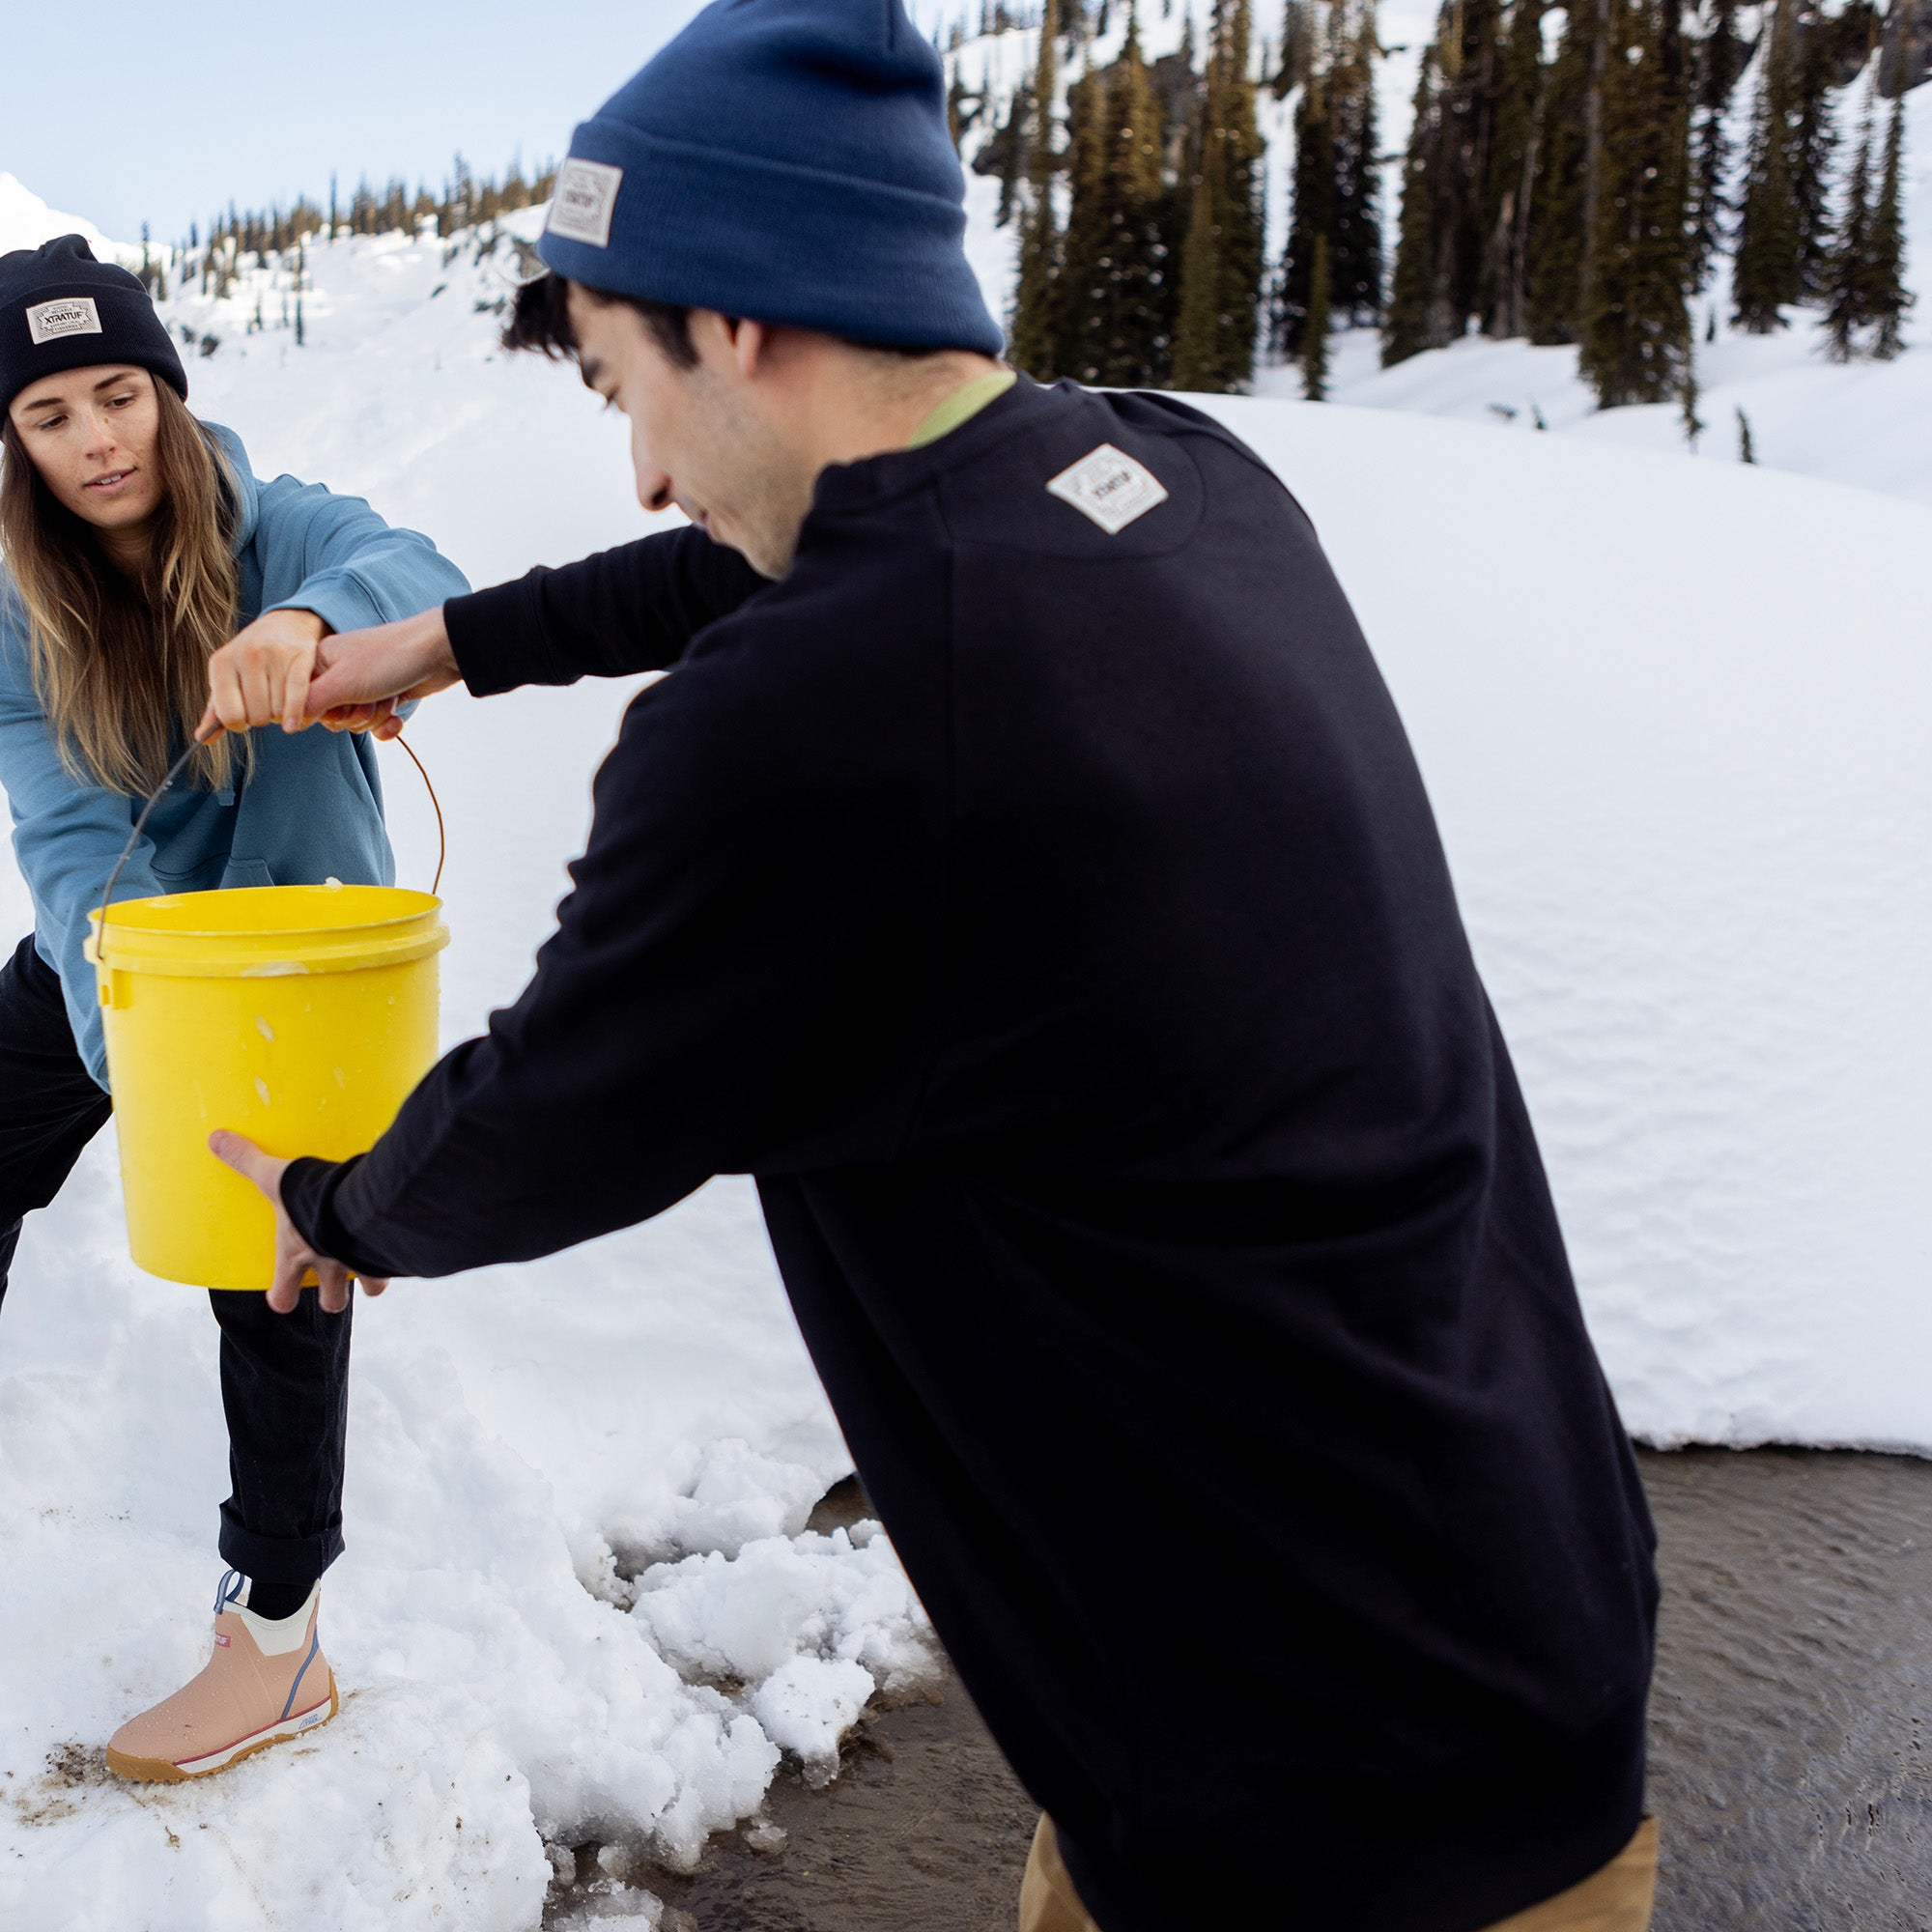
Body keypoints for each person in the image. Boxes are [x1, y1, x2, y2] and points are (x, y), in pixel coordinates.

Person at [203, 3, 1661, 1925]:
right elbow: (800, 552)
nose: (638, 472)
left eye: (624, 382)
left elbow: (555, 1109)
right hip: (1497, 1624)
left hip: (1323, 1806)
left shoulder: (810, 727)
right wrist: (446, 645)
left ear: (735, 323)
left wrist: (333, 1203)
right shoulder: (1162, 480)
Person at [0, 235, 468, 1783]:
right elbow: (68, 840)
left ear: (169, 395)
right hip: (129, 949)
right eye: (50, 415)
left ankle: (277, 1636)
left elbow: (425, 572)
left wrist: (309, 625)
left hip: (296, 960)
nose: (97, 440)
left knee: (271, 1267)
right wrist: (117, 1017)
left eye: (118, 394)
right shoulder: (17, 604)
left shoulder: (281, 530)